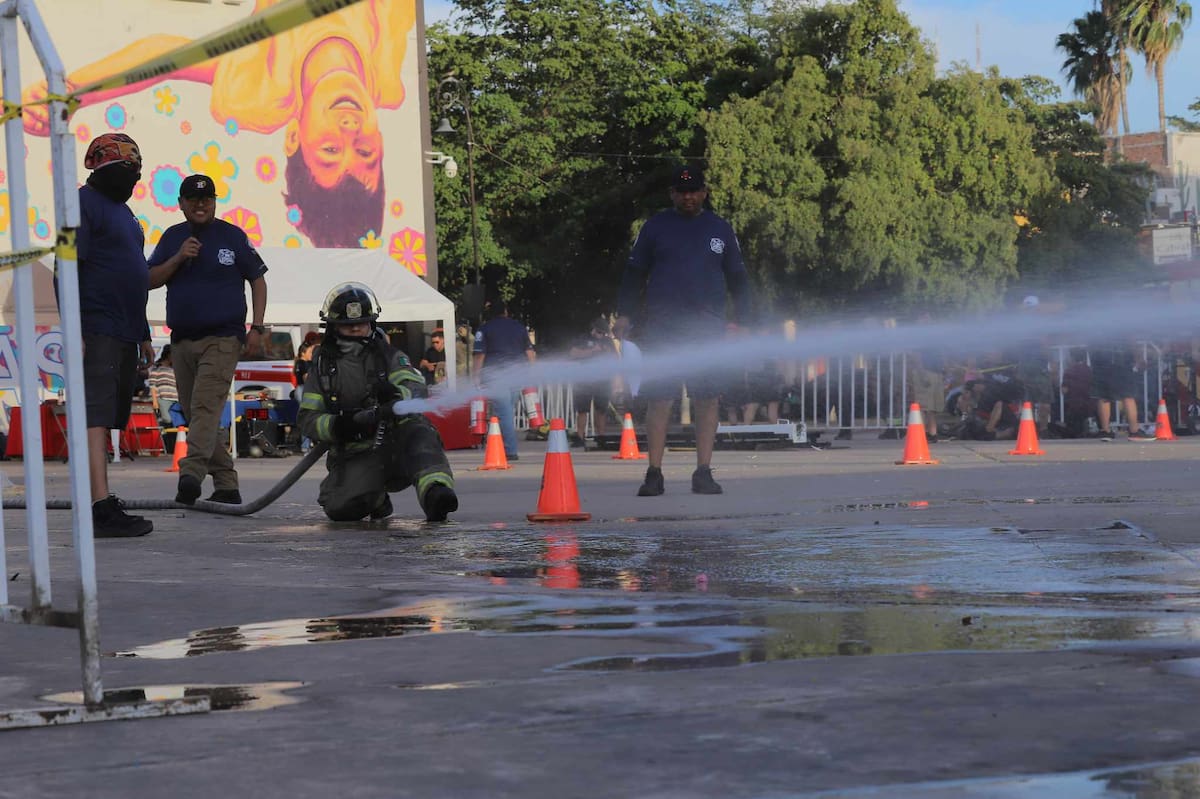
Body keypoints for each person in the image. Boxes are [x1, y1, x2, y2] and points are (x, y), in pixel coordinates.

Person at [21, 0, 411, 247]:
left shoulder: (259, 92)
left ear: (294, 137)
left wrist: (74, 90)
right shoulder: (388, 73)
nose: (350, 130)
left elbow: (168, 56)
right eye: (365, 152)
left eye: (330, 152)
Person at [614, 165, 752, 496]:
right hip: (664, 330)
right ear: (672, 194)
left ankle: (703, 472)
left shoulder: (720, 228)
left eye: (694, 191)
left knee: (707, 400)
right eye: (681, 191)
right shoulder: (655, 227)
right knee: (659, 399)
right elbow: (634, 274)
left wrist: (744, 321)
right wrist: (624, 315)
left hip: (708, 331)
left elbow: (738, 278)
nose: (688, 196)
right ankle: (654, 473)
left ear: (704, 192)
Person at [148, 174, 269, 505]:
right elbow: (149, 279)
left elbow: (258, 280)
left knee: (203, 407)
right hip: (182, 341)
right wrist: (178, 258)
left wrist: (257, 327)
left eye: (207, 199)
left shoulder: (232, 236)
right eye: (193, 199)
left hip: (223, 337)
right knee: (196, 413)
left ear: (214, 202)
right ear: (181, 204)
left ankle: (191, 474)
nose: (201, 204)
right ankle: (227, 483)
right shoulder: (173, 237)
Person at [297, 282, 457, 522]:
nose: (356, 329)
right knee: (339, 508)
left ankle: (435, 493)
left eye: (361, 323)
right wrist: (339, 425)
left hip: (396, 443)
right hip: (356, 452)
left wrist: (396, 395)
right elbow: (308, 418)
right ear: (333, 326)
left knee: (419, 431)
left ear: (371, 323)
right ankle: (377, 500)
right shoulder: (322, 367)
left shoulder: (388, 356)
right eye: (348, 324)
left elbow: (417, 388)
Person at [70, 133, 155, 536]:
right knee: (95, 414)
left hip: (124, 329)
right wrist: (74, 327)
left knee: (109, 416)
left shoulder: (127, 215)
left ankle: (103, 499)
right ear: (102, 167)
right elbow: (66, 264)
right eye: (126, 169)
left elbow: (135, 273)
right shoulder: (83, 203)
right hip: (97, 324)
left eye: (136, 171)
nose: (133, 176)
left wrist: (143, 334)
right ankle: (99, 506)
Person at [472, 299, 536, 461]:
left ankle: (510, 450)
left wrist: (476, 376)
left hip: (496, 375)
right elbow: (529, 352)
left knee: (505, 412)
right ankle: (500, 443)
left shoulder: (484, 329)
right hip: (517, 374)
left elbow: (480, 355)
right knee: (506, 410)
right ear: (505, 311)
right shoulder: (519, 327)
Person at [568, 316, 619, 447]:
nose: (601, 335)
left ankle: (601, 436)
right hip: (584, 380)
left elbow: (616, 359)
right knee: (582, 410)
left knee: (601, 409)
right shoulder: (583, 339)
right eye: (599, 332)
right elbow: (573, 354)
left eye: (604, 333)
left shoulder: (608, 342)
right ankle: (580, 436)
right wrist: (592, 351)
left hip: (603, 380)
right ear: (594, 330)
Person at [148, 345, 180, 426]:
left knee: (177, 421)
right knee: (167, 419)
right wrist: (155, 402)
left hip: (175, 399)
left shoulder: (175, 369)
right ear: (168, 355)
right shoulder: (157, 368)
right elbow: (152, 385)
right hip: (163, 399)